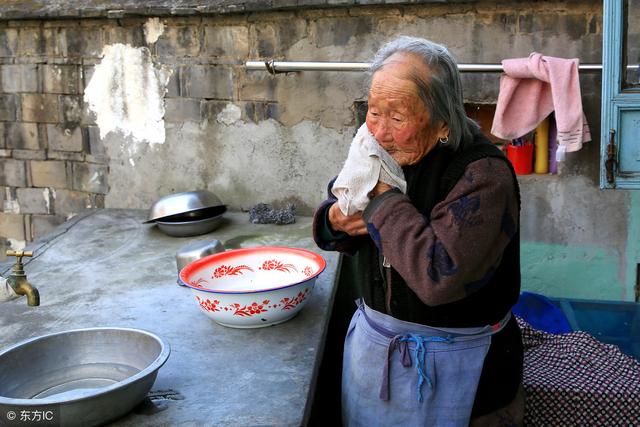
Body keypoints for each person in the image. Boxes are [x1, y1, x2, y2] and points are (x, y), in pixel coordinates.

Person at [313, 36, 524, 426]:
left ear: (443, 121)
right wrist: (331, 221)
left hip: (463, 368)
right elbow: (339, 211)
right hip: (378, 353)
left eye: (397, 117)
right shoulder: (381, 150)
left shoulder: (483, 175)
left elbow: (438, 276)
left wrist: (380, 198)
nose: (378, 131)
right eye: (373, 112)